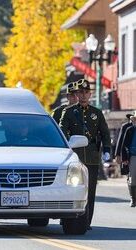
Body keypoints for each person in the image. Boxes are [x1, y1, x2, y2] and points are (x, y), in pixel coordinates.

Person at [59, 79, 111, 230]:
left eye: (86, 92)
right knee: (72, 189)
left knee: (90, 190)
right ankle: (68, 218)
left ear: (90, 94)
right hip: (74, 158)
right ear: (76, 94)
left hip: (92, 157)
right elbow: (62, 132)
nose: (83, 95)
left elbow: (105, 133)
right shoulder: (68, 112)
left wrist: (107, 150)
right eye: (80, 92)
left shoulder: (97, 113)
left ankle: (86, 221)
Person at [121, 114, 136, 207]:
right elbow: (124, 145)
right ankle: (133, 199)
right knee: (133, 179)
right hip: (133, 156)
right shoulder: (129, 130)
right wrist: (124, 158)